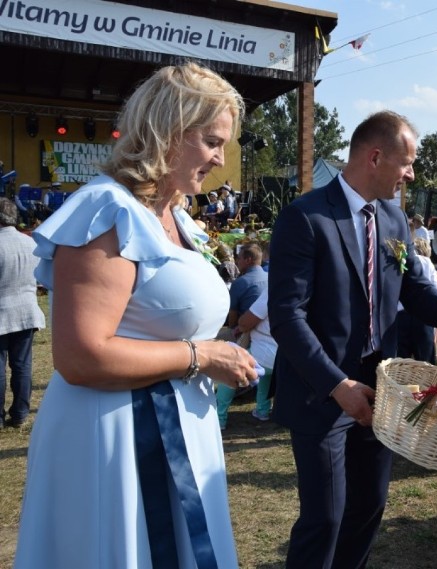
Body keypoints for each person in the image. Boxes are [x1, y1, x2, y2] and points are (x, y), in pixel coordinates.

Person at [13, 62, 258, 569]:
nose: (219, 159)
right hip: (116, 439)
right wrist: (201, 355)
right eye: (212, 141)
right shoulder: (107, 210)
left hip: (178, 428)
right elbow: (81, 356)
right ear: (168, 130)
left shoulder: (178, 217)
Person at [267, 110, 437, 569]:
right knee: (324, 519)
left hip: (383, 386)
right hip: (322, 390)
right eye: (407, 163)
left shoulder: (393, 218)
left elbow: (412, 289)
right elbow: (286, 316)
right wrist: (337, 385)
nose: (411, 174)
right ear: (375, 157)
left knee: (368, 507)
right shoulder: (305, 217)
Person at [0, 198, 45, 428]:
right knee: (22, 366)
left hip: (3, 311)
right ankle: (20, 413)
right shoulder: (29, 243)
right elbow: (41, 278)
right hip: (27, 310)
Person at [217, 288, 276, 429]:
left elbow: (245, 322)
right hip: (284, 355)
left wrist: (241, 325)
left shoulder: (274, 289)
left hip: (264, 350)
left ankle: (219, 417)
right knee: (266, 375)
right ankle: (263, 410)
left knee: (231, 370)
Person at [227, 242, 268, 327]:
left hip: (245, 332)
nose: (237, 261)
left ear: (248, 260)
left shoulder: (239, 283)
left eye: (239, 258)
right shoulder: (271, 278)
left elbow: (232, 321)